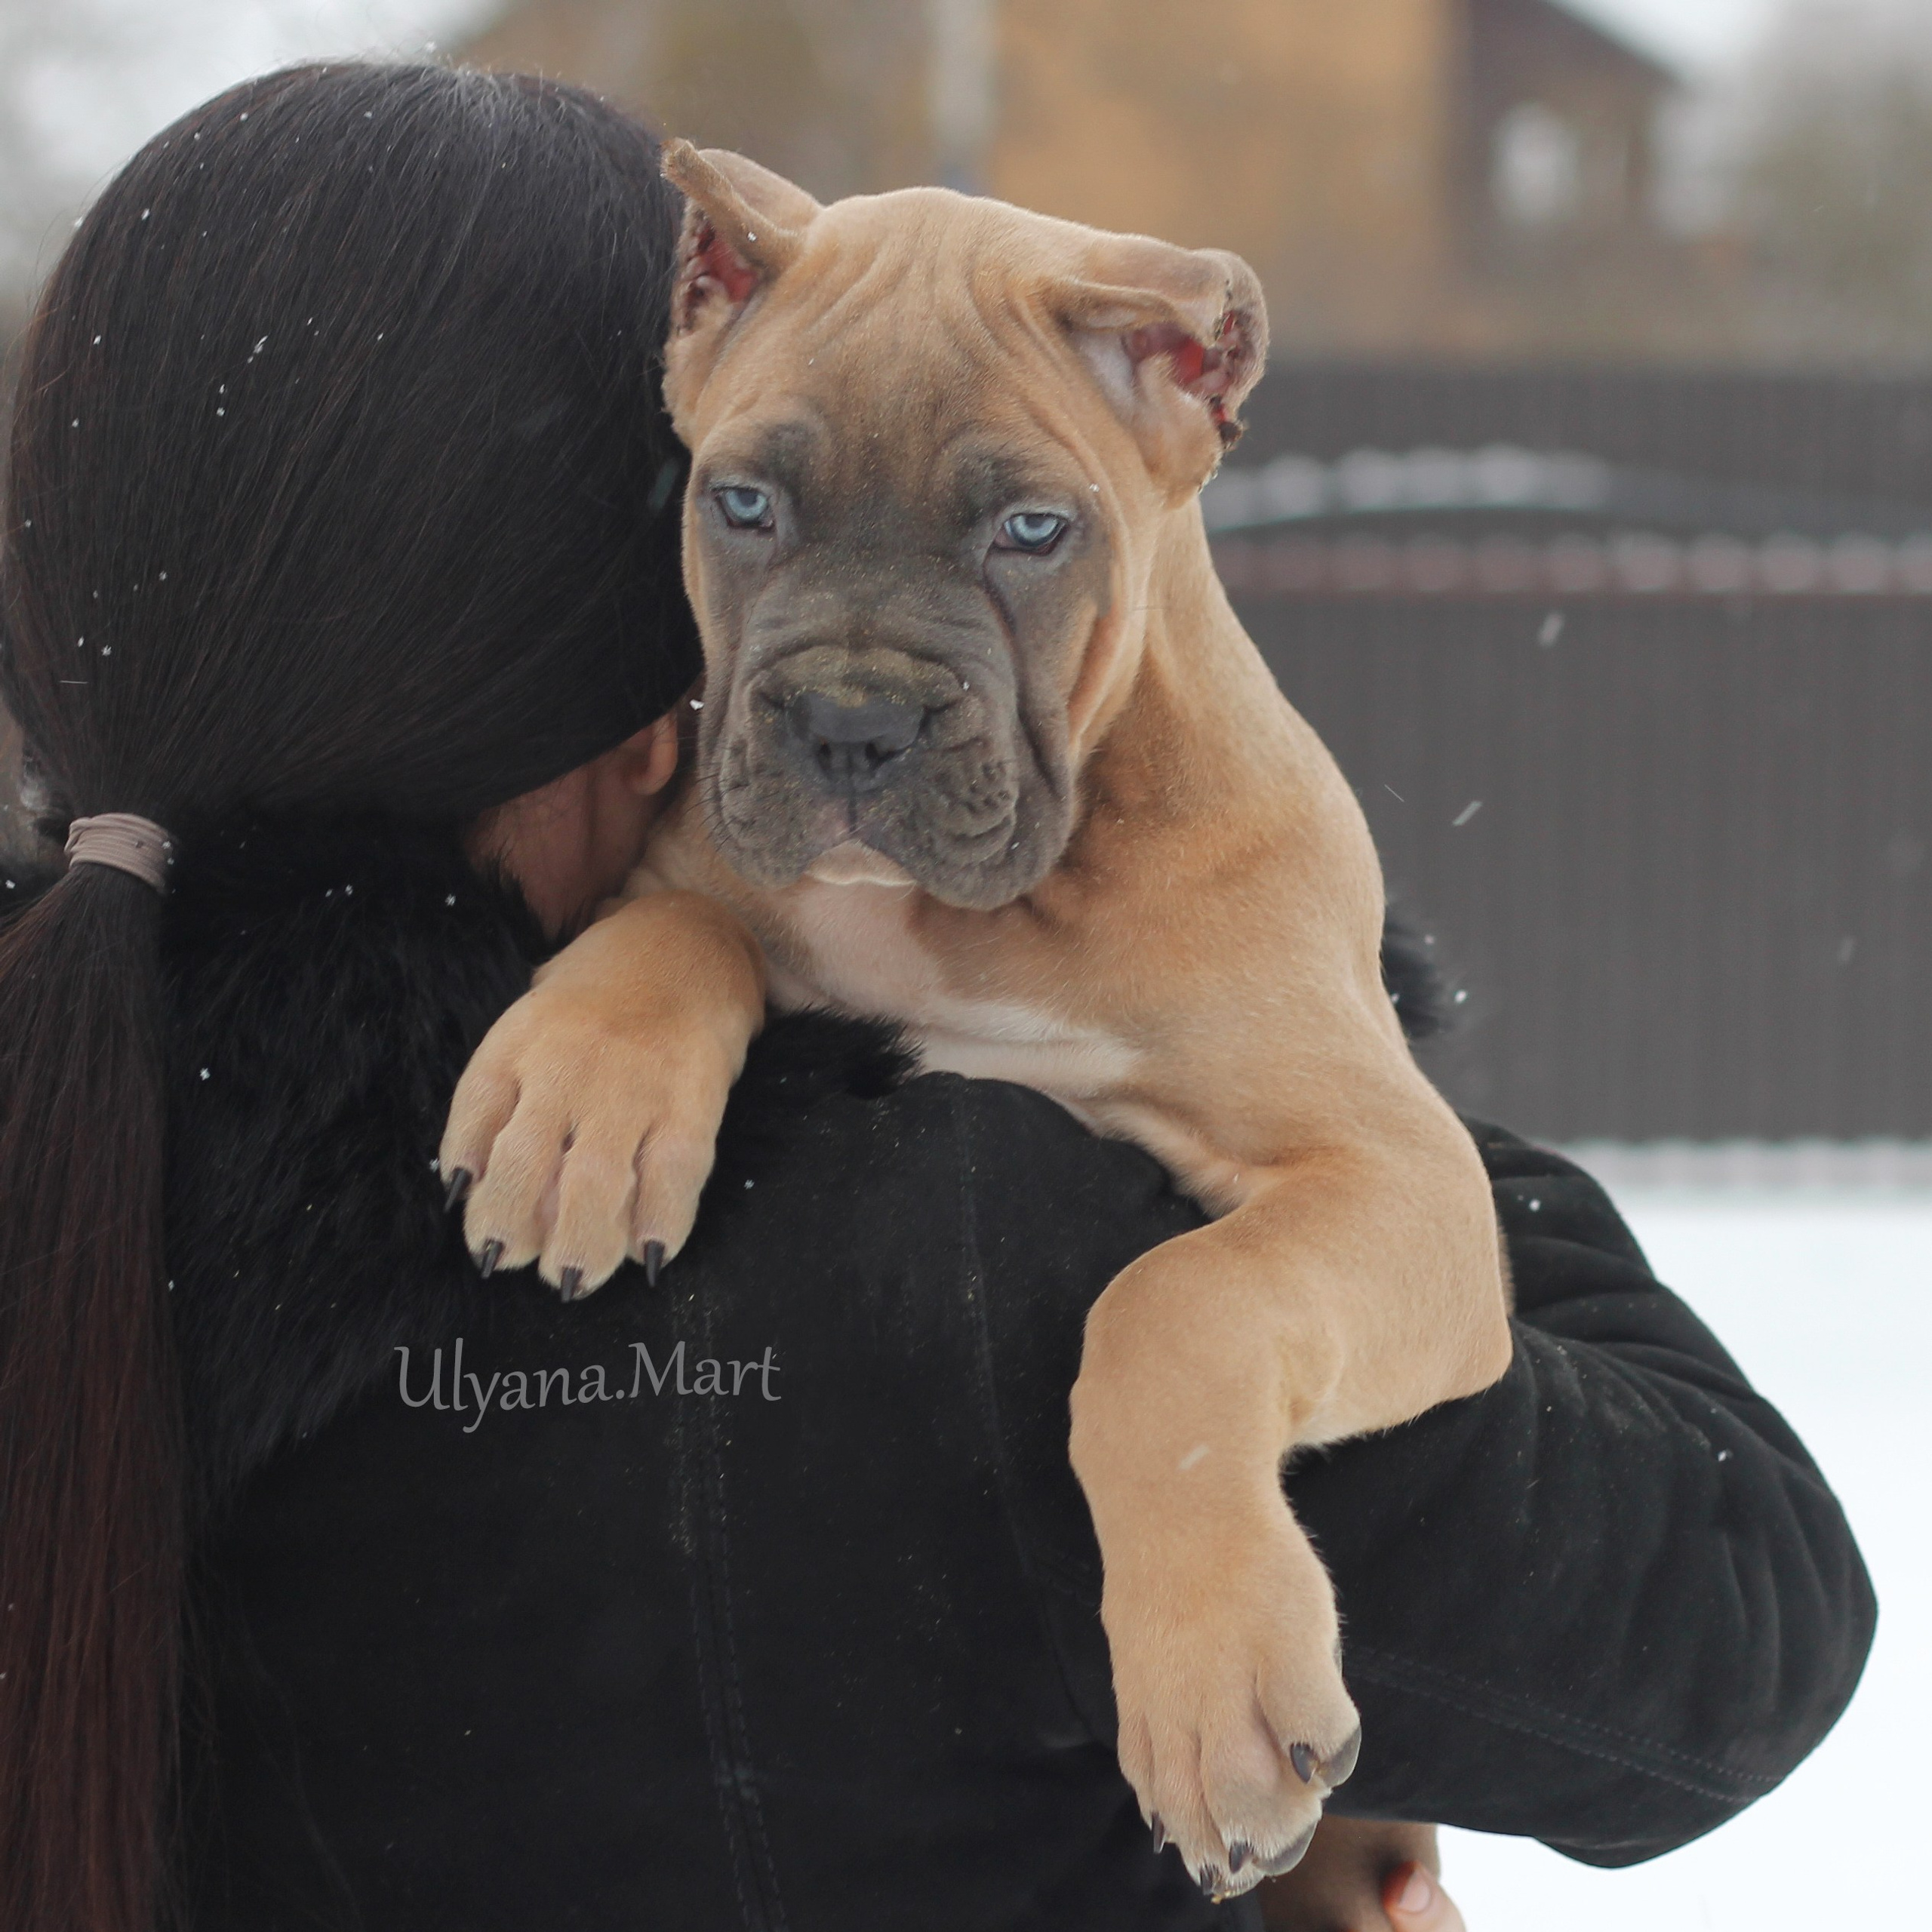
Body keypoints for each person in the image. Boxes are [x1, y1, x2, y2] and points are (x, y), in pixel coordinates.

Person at [0, 62, 1873, 1932]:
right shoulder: (983, 1276)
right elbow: (1729, 1621)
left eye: (1012, 532)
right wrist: (1322, 1114)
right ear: (592, 622)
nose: (854, 684)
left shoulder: (88, 1139)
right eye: (744, 513)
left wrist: (684, 950)